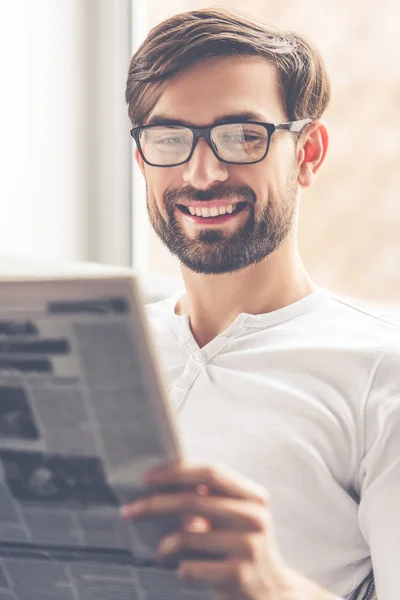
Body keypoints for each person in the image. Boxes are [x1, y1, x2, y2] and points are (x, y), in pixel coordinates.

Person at [121, 7, 399, 600]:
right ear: (142, 159)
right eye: (170, 138)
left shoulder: (381, 375)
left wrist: (273, 586)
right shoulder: (102, 348)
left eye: (243, 136)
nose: (203, 173)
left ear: (308, 154)